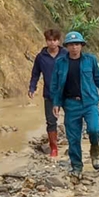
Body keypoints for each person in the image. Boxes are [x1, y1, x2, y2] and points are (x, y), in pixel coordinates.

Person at [50, 32, 99, 176]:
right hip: (71, 104)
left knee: (94, 129)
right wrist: (56, 103)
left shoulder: (91, 60)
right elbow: (55, 84)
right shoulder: (60, 62)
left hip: (89, 102)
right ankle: (77, 166)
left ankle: (95, 150)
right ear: (66, 46)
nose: (74, 47)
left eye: (77, 44)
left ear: (82, 45)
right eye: (71, 44)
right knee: (73, 137)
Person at [28, 27, 64, 159]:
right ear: (46, 41)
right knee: (51, 121)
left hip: (67, 92)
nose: (52, 43)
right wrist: (32, 88)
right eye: (49, 40)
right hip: (50, 93)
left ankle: (74, 143)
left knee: (72, 118)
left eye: (55, 40)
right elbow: (35, 74)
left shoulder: (66, 54)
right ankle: (54, 148)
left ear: (59, 41)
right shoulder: (41, 57)